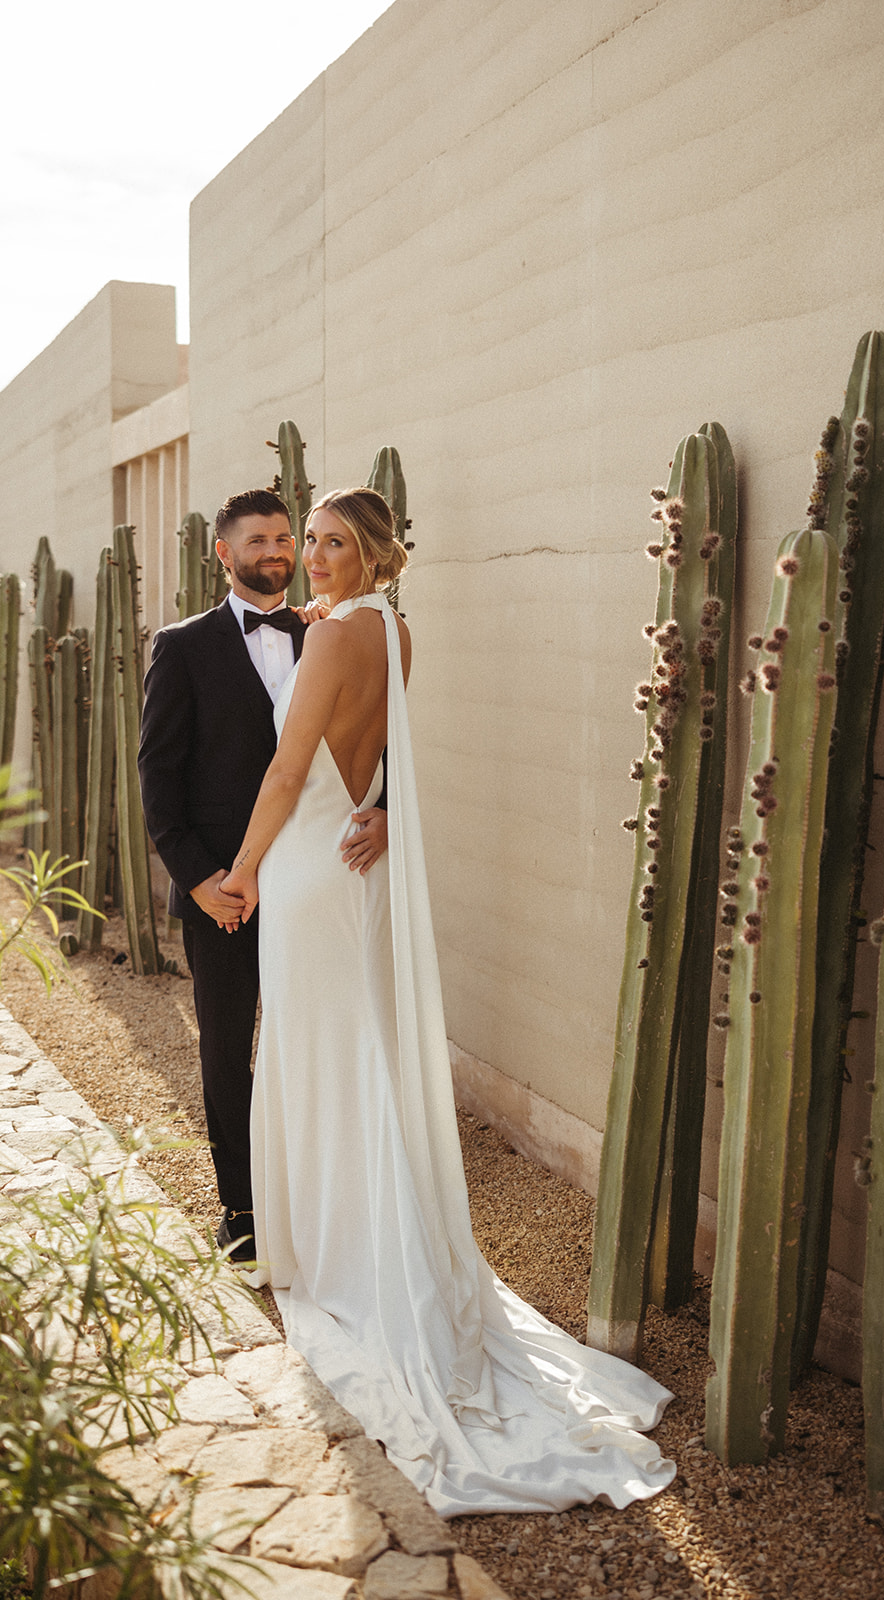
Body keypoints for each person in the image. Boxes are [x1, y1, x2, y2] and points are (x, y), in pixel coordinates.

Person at [220, 487, 675, 1518]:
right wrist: (376, 810)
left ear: (373, 553)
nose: (317, 558)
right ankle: (359, 1239)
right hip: (356, 867)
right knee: (350, 1051)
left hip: (305, 865)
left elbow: (292, 771)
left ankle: (345, 1255)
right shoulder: (397, 631)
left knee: (321, 1053)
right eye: (313, 542)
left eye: (335, 542)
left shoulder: (335, 634)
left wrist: (242, 869)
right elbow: (382, 761)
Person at [137, 488, 387, 1268]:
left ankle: (313, 1196)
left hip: (314, 870)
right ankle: (242, 1209)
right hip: (226, 886)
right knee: (227, 1045)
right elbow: (158, 776)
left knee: (308, 1035)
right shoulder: (181, 647)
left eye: (288, 537)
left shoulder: (329, 631)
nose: (279, 552)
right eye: (260, 541)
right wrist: (202, 877)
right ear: (223, 552)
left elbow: (381, 737)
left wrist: (391, 811)